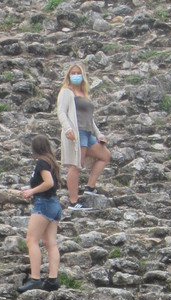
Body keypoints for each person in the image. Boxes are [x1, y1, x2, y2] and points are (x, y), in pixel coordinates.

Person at [57, 63, 111, 210]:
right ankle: (73, 201)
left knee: (104, 155)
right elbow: (61, 112)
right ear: (68, 76)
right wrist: (68, 128)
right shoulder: (67, 92)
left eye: (78, 72)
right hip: (77, 132)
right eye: (73, 73)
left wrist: (99, 134)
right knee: (76, 165)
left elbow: (90, 118)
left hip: (87, 132)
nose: (75, 75)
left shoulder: (84, 94)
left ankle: (90, 186)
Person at [18, 134, 62, 293]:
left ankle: (35, 278)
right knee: (51, 243)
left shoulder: (42, 163)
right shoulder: (52, 162)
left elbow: (49, 183)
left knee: (31, 240)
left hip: (43, 203)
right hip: (54, 204)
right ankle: (52, 279)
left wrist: (31, 191)